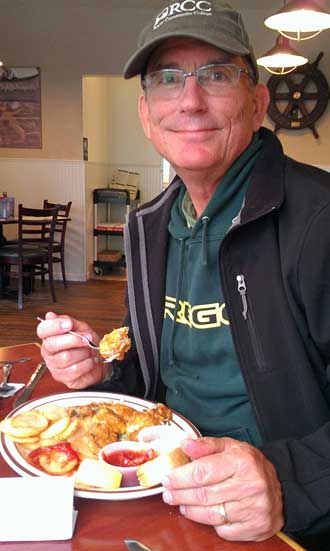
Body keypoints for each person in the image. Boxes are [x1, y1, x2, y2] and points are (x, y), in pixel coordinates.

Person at [37, 2, 330, 549]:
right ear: (147, 115)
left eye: (216, 75)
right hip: (151, 489)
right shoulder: (149, 225)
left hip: (282, 523)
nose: (191, 101)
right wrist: (102, 367)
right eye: (168, 79)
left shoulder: (320, 219)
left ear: (258, 99)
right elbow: (153, 373)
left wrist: (287, 482)